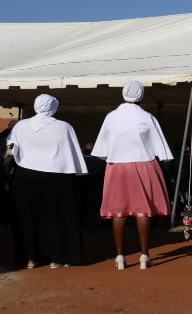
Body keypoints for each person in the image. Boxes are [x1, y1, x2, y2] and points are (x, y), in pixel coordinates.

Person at [92, 81, 173, 270]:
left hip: (117, 165)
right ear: (141, 96)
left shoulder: (111, 117)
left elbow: (101, 149)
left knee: (118, 211)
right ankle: (144, 255)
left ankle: (120, 256)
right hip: (143, 163)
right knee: (142, 209)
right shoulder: (147, 117)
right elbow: (161, 148)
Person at [6, 94, 88, 269]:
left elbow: (10, 149)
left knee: (27, 218)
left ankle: (29, 258)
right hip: (57, 176)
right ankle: (56, 259)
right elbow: (72, 152)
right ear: (53, 107)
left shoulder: (20, 126)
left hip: (25, 176)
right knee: (58, 218)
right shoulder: (64, 127)